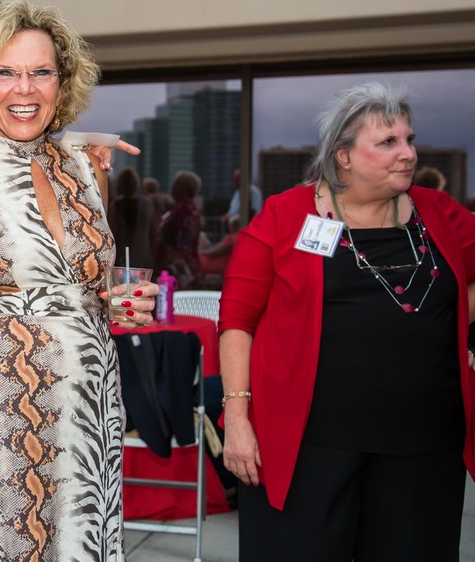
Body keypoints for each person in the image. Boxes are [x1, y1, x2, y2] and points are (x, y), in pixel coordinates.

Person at [0, 0, 159, 561]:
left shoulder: (90, 168)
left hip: (88, 402)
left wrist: (120, 302)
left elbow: (91, 286)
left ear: (62, 81)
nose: (23, 89)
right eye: (5, 72)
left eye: (40, 72)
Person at [218, 81, 475, 561]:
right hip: (310, 443)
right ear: (344, 156)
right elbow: (237, 319)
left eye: (409, 139)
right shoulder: (285, 216)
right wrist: (237, 419)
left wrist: (457, 314)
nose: (408, 153)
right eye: (388, 142)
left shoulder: (439, 213)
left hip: (424, 444)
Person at [156, 170, 204, 289]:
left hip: (179, 271)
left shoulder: (187, 211)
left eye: (177, 184)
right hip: (170, 266)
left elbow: (184, 242)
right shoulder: (178, 208)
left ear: (186, 189)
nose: (172, 187)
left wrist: (177, 261)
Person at [109, 167, 158, 268]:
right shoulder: (147, 205)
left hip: (121, 255)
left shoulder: (116, 205)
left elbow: (112, 233)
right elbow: (153, 233)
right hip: (143, 255)